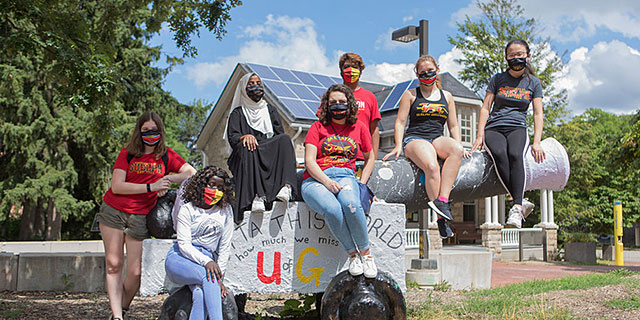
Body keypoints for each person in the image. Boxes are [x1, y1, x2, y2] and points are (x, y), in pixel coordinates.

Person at [97, 111, 196, 320]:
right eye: (145, 130)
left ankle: (122, 307)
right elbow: (117, 186)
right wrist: (151, 186)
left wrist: (167, 179)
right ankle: (117, 316)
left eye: (154, 130)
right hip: (114, 211)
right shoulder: (128, 153)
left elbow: (191, 173)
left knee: (135, 272)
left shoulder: (166, 155)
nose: (150, 134)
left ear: (160, 131)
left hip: (140, 217)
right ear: (139, 131)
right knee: (113, 264)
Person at [383, 56, 465, 239]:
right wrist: (398, 145)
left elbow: (453, 125)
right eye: (423, 73)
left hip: (437, 137)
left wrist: (458, 143)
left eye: (430, 70)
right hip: (415, 139)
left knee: (456, 151)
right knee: (432, 166)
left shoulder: (448, 97)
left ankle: (442, 201)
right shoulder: (411, 94)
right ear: (417, 74)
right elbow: (400, 122)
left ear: (437, 69)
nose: (427, 75)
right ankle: (441, 219)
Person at [302, 84, 377, 278]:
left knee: (351, 204)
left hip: (346, 175)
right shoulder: (317, 127)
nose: (338, 106)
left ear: (349, 105)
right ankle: (353, 254)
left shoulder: (359, 127)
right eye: (333, 102)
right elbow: (309, 161)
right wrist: (326, 182)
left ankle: (367, 255)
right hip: (316, 180)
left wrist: (362, 183)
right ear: (326, 105)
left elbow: (370, 157)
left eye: (342, 102)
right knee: (332, 209)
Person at [470, 39, 546, 228]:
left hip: (517, 127)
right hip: (494, 127)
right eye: (512, 55)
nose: (516, 58)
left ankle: (516, 208)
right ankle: (520, 202)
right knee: (500, 156)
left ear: (528, 56)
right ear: (506, 58)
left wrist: (537, 141)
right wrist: (479, 135)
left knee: (515, 155)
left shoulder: (533, 83)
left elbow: (538, 113)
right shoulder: (497, 79)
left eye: (520, 54)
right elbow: (486, 107)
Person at [225, 72, 298, 222]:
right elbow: (232, 138)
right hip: (247, 153)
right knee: (249, 146)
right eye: (251, 84)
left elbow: (279, 135)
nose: (256, 87)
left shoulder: (270, 110)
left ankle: (286, 187)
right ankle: (257, 196)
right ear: (244, 89)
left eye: (258, 83)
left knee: (285, 139)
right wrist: (244, 136)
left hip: (267, 149)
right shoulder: (238, 113)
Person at [165, 166, 234, 320]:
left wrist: (219, 278)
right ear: (201, 184)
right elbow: (184, 245)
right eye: (211, 184)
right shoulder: (187, 209)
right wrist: (208, 263)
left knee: (201, 292)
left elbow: (225, 246)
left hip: (207, 260)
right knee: (208, 277)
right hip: (180, 258)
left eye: (220, 187)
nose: (215, 190)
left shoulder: (226, 210)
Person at [317, 53, 382, 161]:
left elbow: (374, 129)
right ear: (341, 71)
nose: (350, 70)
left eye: (355, 67)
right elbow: (321, 123)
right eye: (346, 67)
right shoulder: (333, 95)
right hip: (334, 154)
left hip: (361, 156)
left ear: (360, 71)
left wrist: (373, 158)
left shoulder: (370, 97)